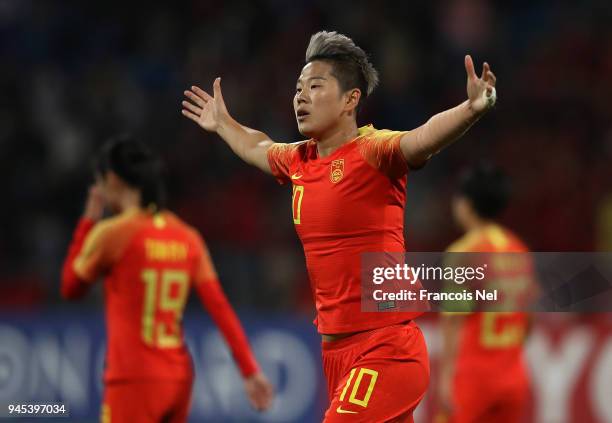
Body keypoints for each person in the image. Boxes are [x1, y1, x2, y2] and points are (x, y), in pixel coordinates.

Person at [182, 31, 497, 422]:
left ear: (351, 100)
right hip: (336, 354)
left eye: (315, 86)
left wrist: (471, 109)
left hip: (386, 349)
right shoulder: (299, 161)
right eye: (298, 88)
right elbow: (255, 147)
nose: (300, 96)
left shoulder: (373, 151)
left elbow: (421, 140)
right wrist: (223, 122)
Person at [61, 136, 273, 423]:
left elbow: (71, 288)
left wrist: (88, 220)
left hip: (133, 380)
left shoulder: (113, 233)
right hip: (178, 378)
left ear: (110, 179)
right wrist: (250, 371)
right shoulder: (187, 236)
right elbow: (220, 308)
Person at [436, 164, 534, 423]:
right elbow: (531, 309)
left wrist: (446, 376)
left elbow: (453, 318)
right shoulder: (518, 248)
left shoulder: (463, 253)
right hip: (514, 375)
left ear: (466, 205)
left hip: (473, 377)